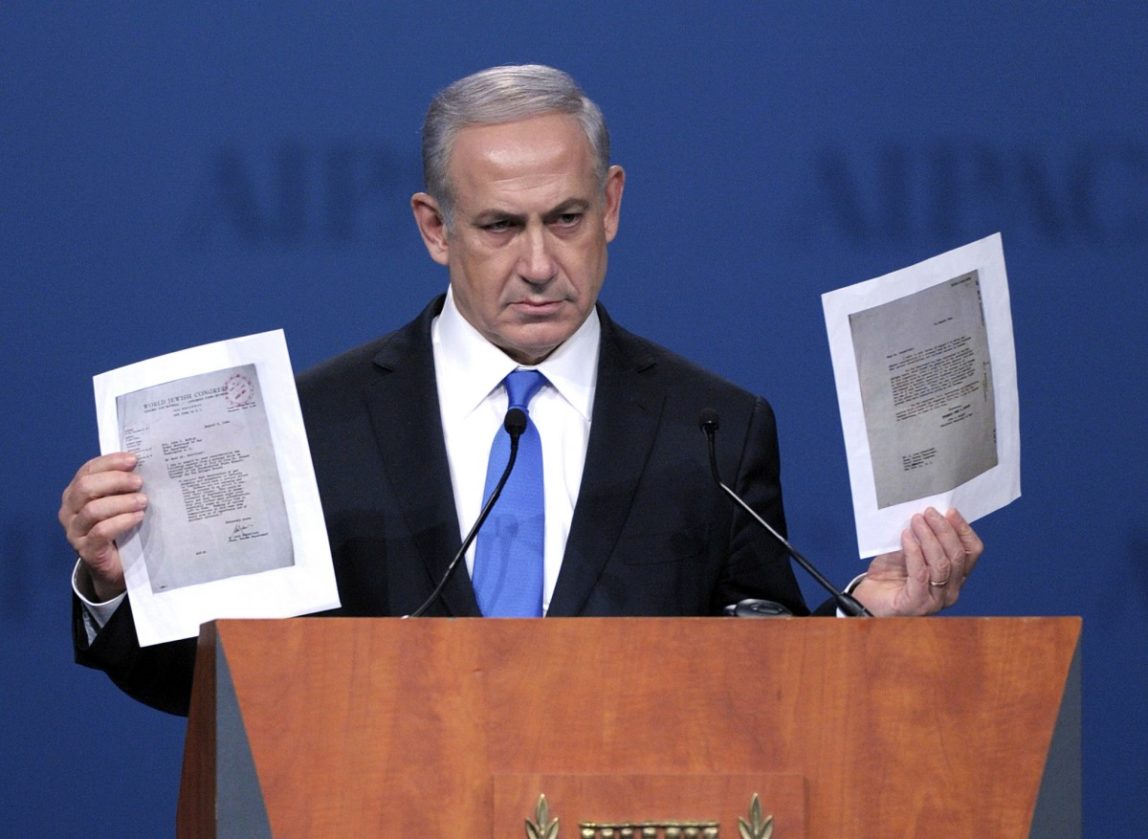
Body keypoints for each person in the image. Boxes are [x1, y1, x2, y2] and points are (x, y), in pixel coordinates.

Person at [59, 65, 982, 716]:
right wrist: (115, 582)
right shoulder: (317, 422)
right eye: (501, 226)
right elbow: (215, 687)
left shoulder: (713, 428)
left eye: (567, 219)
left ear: (611, 205)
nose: (540, 264)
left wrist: (863, 616)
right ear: (434, 226)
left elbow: (763, 683)